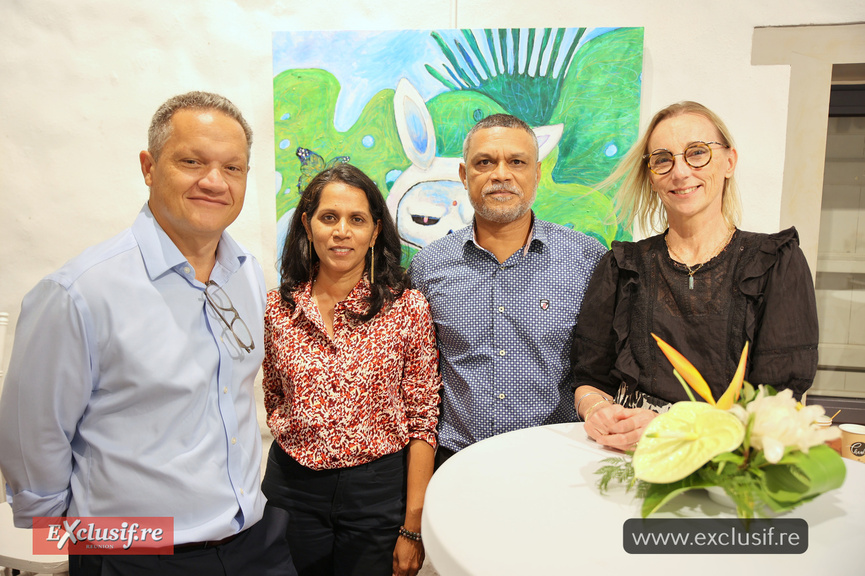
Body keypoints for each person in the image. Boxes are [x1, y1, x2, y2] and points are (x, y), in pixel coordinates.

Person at [0, 92, 296, 575]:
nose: (214, 181)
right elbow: (33, 439)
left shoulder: (244, 273)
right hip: (137, 556)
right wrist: (79, 545)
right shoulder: (79, 293)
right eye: (192, 161)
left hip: (253, 542)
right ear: (149, 166)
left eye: (233, 168)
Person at [572, 101, 819, 451]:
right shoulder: (621, 265)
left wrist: (674, 428)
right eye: (663, 159)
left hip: (728, 460)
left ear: (729, 161)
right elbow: (589, 379)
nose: (680, 172)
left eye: (697, 153)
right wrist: (595, 409)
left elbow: (778, 403)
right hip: (625, 455)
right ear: (651, 176)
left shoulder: (776, 263)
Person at [260, 163, 441, 576]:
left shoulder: (406, 307)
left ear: (375, 231)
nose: (342, 231)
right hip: (292, 490)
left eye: (356, 219)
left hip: (377, 494)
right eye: (329, 217)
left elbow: (422, 418)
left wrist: (412, 526)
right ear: (307, 225)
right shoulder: (277, 308)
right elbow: (273, 392)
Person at [409, 114, 607, 466]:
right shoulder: (427, 268)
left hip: (557, 463)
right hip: (457, 464)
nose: (501, 174)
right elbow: (415, 383)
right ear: (464, 175)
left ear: (537, 173)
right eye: (484, 162)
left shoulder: (588, 260)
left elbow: (602, 367)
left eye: (517, 161)